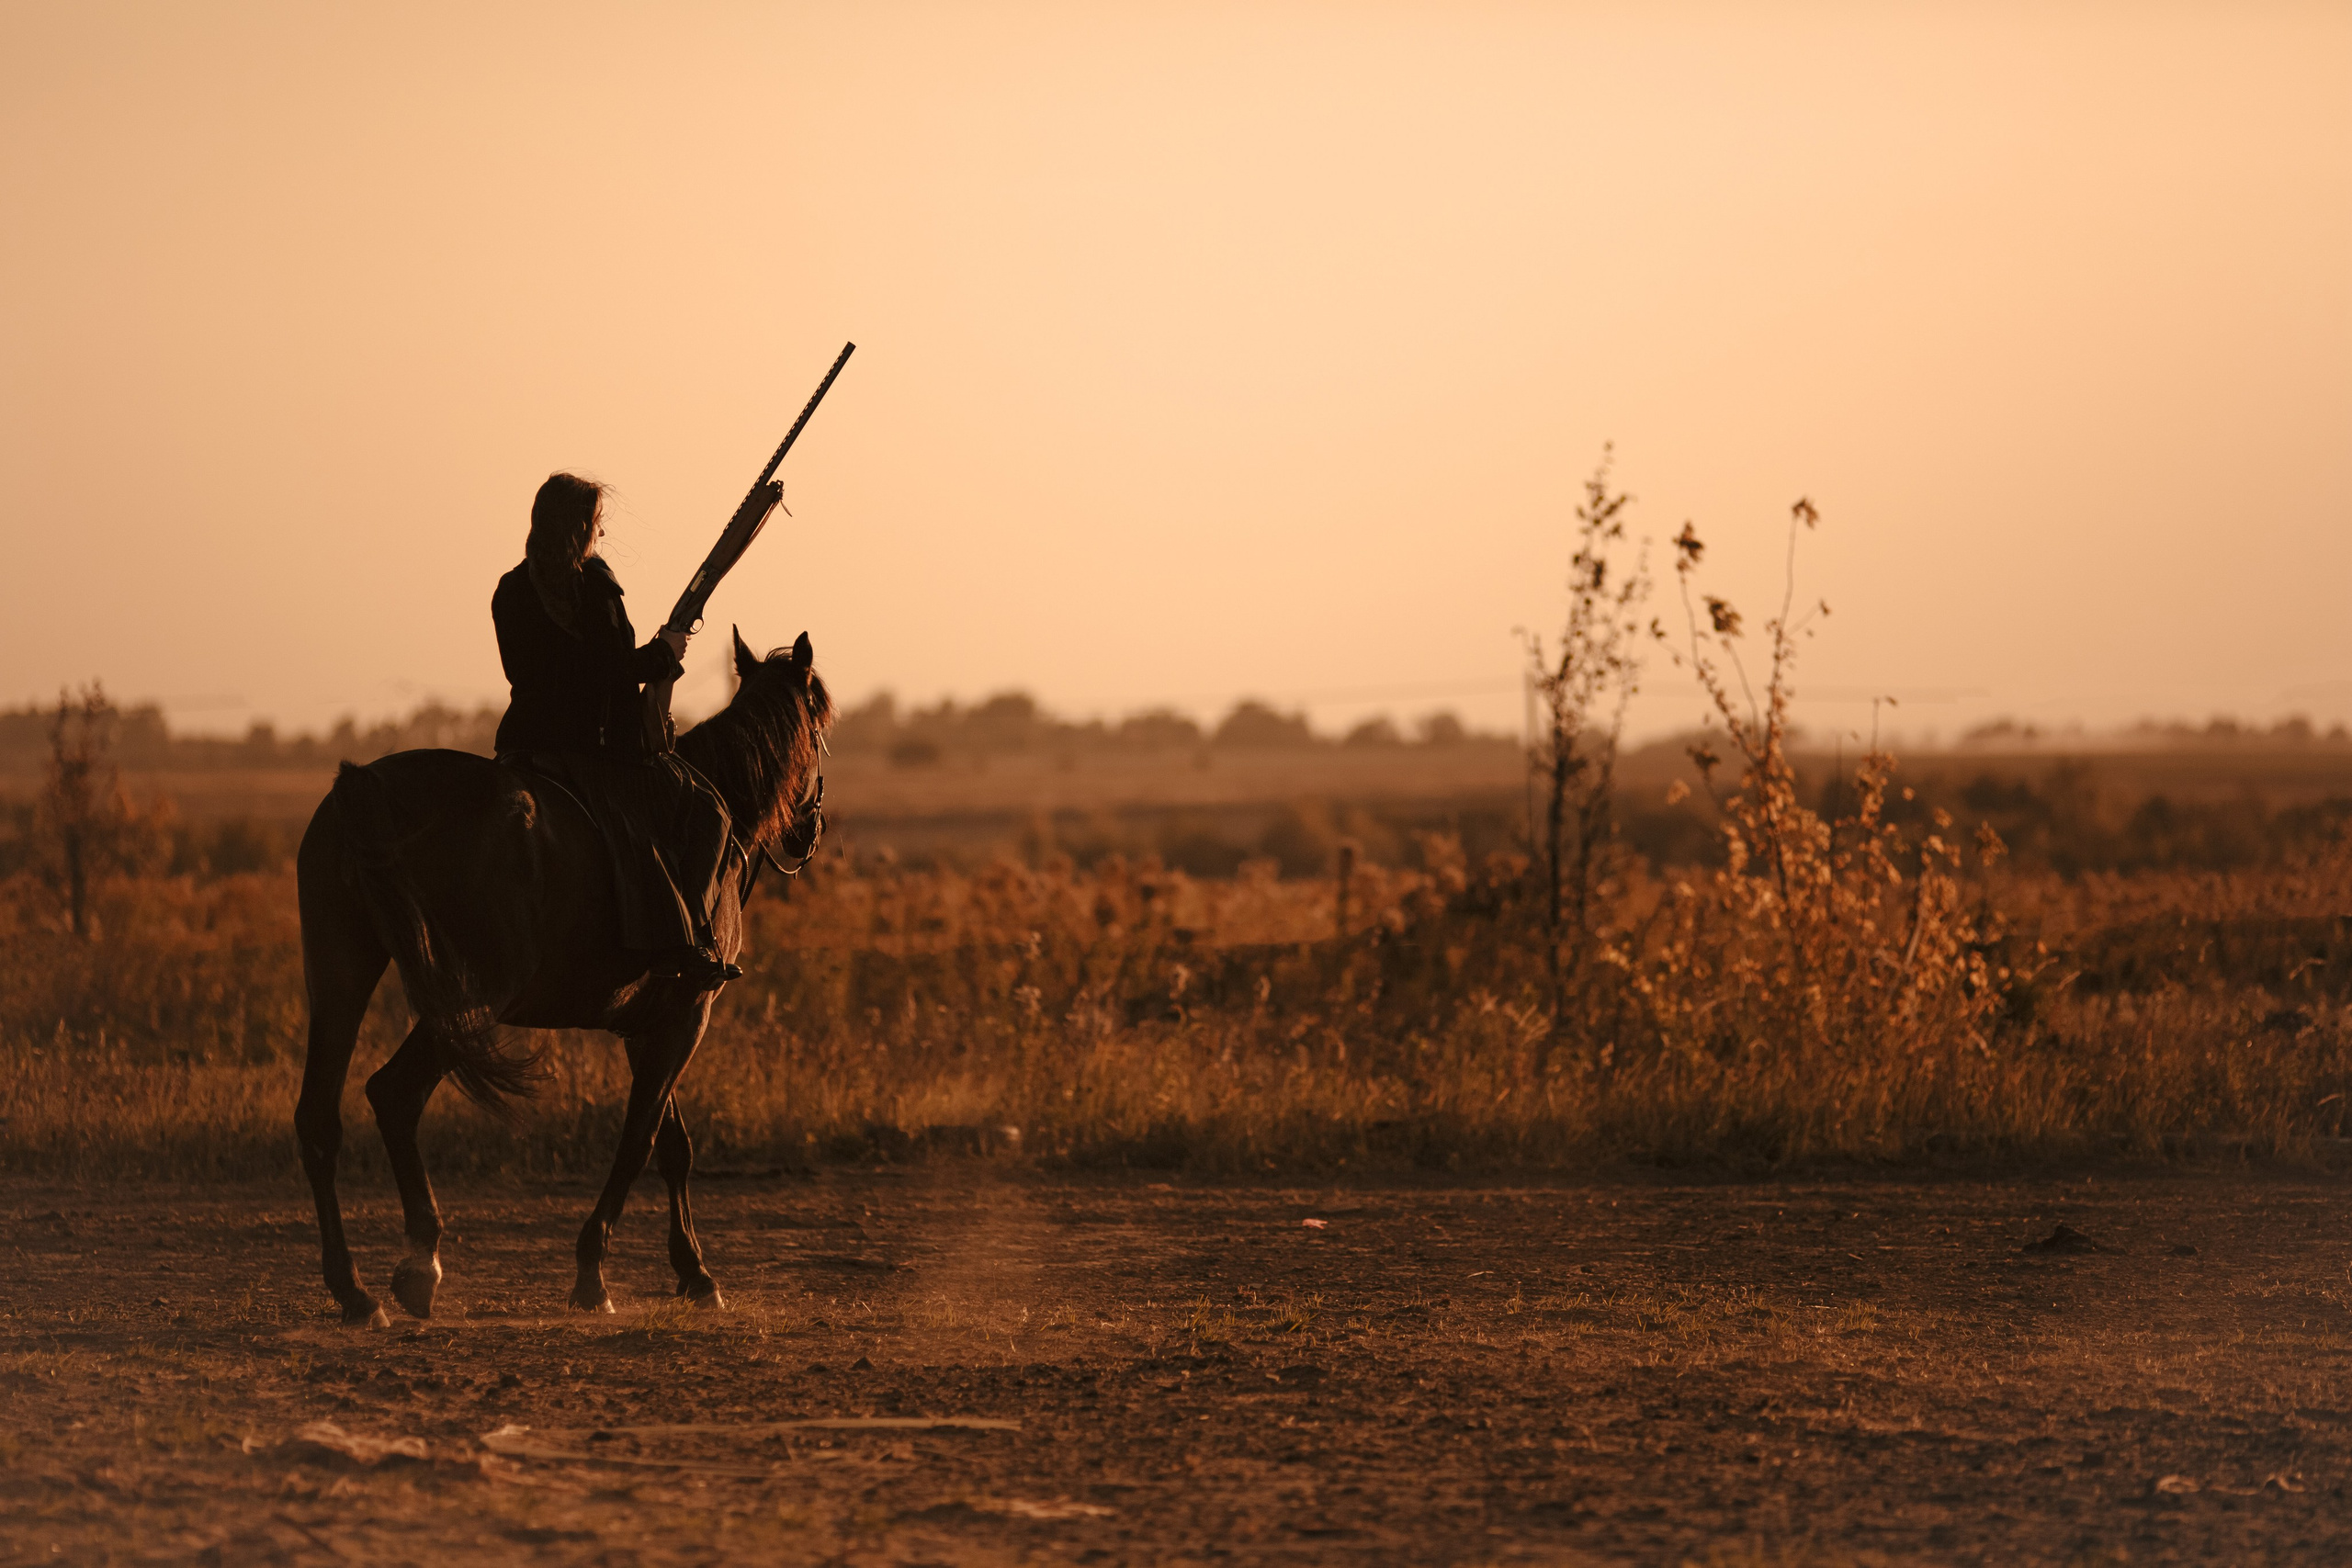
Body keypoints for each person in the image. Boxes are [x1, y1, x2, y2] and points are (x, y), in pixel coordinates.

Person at [492, 471, 742, 988]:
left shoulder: (510, 590)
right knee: (708, 811)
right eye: (597, 523)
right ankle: (686, 939)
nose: (600, 534)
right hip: (594, 750)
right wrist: (661, 655)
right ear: (580, 526)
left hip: (523, 745)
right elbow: (605, 671)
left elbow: (538, 674)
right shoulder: (595, 585)